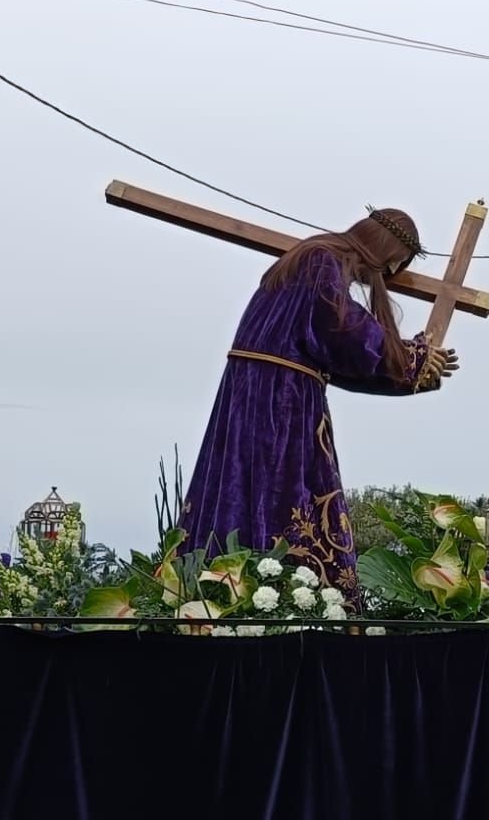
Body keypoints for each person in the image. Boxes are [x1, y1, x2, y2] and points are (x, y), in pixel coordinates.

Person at [180, 209, 459, 600]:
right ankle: (281, 597)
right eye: (394, 264)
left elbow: (341, 360)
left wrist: (413, 369)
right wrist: (411, 357)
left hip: (265, 392)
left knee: (249, 494)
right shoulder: (319, 260)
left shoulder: (311, 257)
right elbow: (344, 333)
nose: (390, 273)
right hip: (278, 403)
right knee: (281, 501)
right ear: (386, 251)